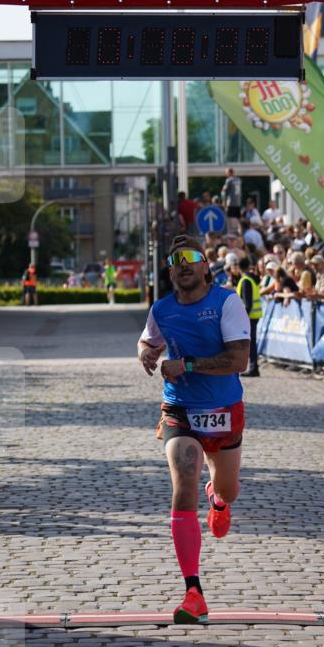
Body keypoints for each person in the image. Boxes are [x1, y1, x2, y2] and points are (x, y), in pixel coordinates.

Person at [137, 234, 250, 624]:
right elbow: (147, 340)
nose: (183, 264)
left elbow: (239, 360)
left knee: (227, 488)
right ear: (170, 271)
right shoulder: (162, 309)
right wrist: (147, 352)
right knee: (183, 478)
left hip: (222, 406)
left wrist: (187, 365)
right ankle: (193, 591)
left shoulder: (225, 302)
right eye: (175, 259)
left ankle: (218, 500)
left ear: (205, 266)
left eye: (191, 257)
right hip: (179, 408)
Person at [236, 255, 262, 377]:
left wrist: (242, 318)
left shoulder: (246, 280)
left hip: (250, 317)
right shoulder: (250, 279)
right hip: (252, 316)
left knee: (250, 343)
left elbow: (247, 303)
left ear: (238, 267)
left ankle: (253, 367)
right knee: (250, 343)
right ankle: (253, 367)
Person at [222, 167, 242, 234]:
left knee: (229, 219)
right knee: (238, 219)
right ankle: (239, 232)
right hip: (238, 203)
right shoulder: (239, 180)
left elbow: (224, 191)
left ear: (229, 173)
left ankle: (230, 233)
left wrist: (224, 202)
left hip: (231, 203)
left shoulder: (229, 180)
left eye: (226, 173)